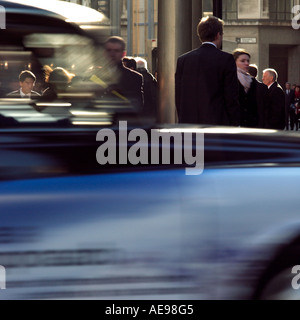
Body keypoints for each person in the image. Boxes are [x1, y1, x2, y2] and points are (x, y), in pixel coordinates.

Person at [175, 16, 240, 126]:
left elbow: (179, 97)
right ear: (218, 35)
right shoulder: (226, 59)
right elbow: (231, 97)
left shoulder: (183, 60)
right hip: (216, 126)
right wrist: (234, 124)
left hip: (189, 125)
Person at [103, 36, 144, 111]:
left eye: (116, 51)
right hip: (99, 120)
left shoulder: (134, 77)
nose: (112, 54)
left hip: (122, 119)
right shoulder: (93, 75)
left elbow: (136, 106)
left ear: (123, 54)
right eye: (109, 50)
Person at [247, 63, 270, 128]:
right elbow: (267, 106)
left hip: (246, 122)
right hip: (260, 121)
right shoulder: (263, 87)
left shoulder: (243, 86)